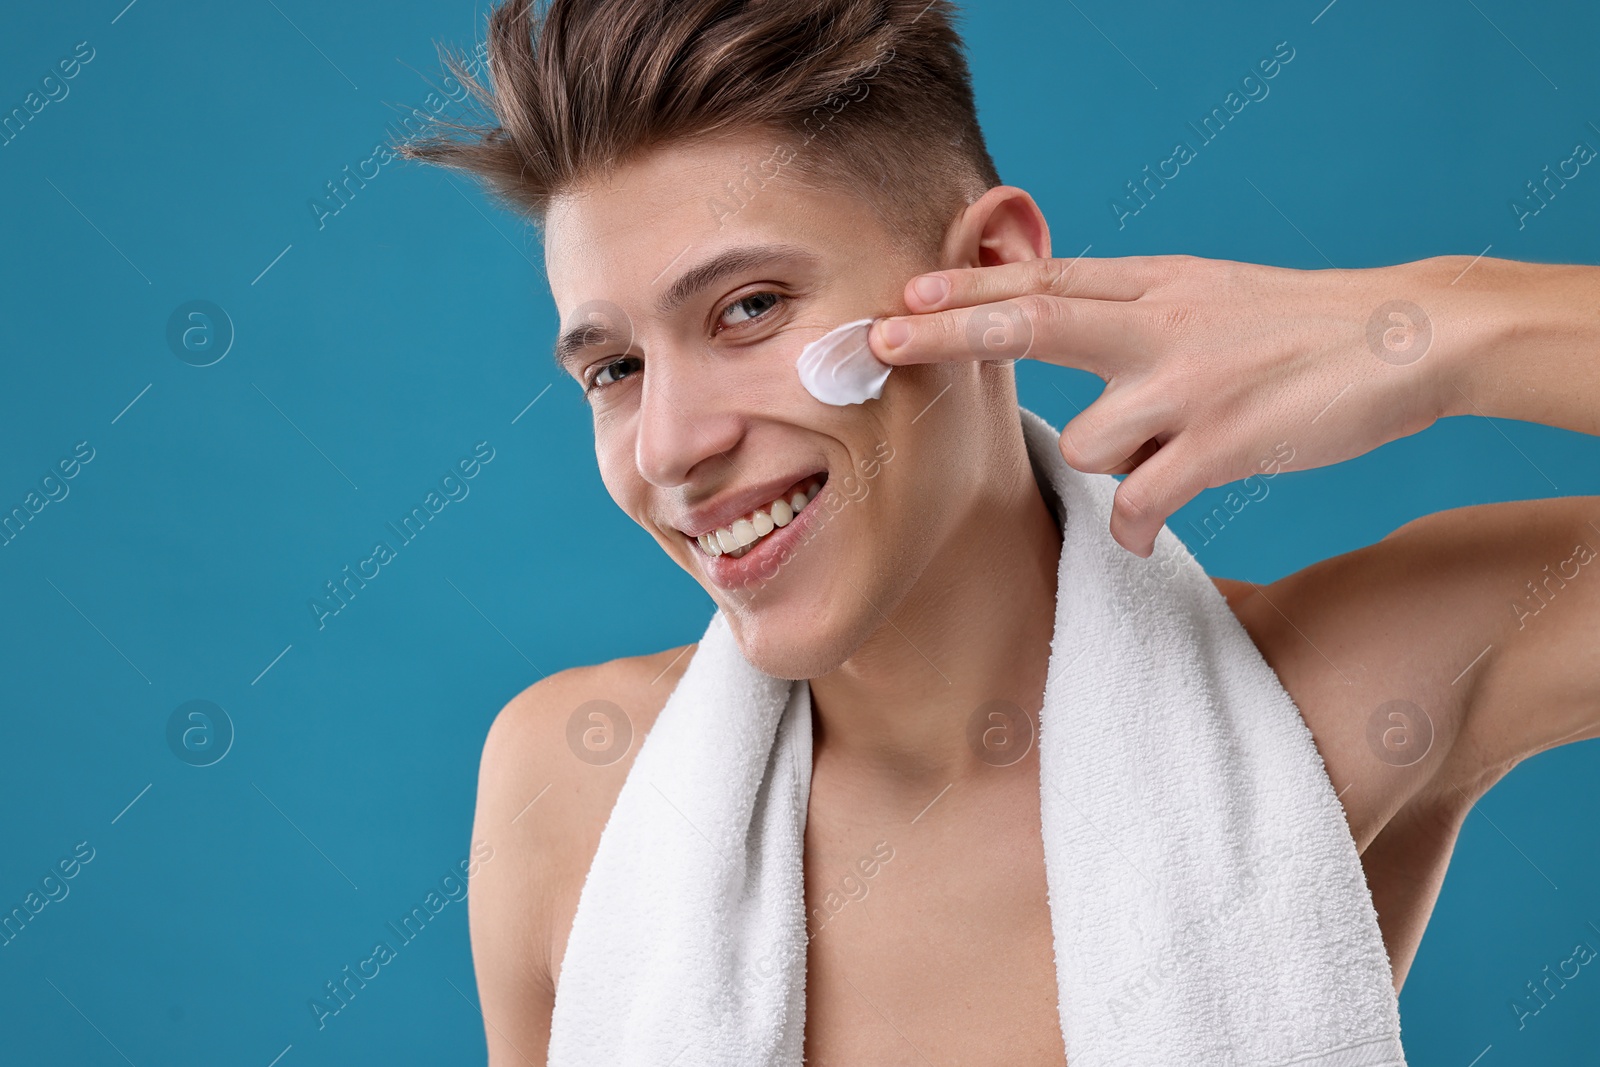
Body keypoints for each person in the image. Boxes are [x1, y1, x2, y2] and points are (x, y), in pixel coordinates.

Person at [400, 0, 1600, 1061]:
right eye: (611, 366)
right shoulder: (567, 788)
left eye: (749, 307)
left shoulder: (1341, 693)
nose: (666, 446)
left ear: (988, 271)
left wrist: (1427, 326)